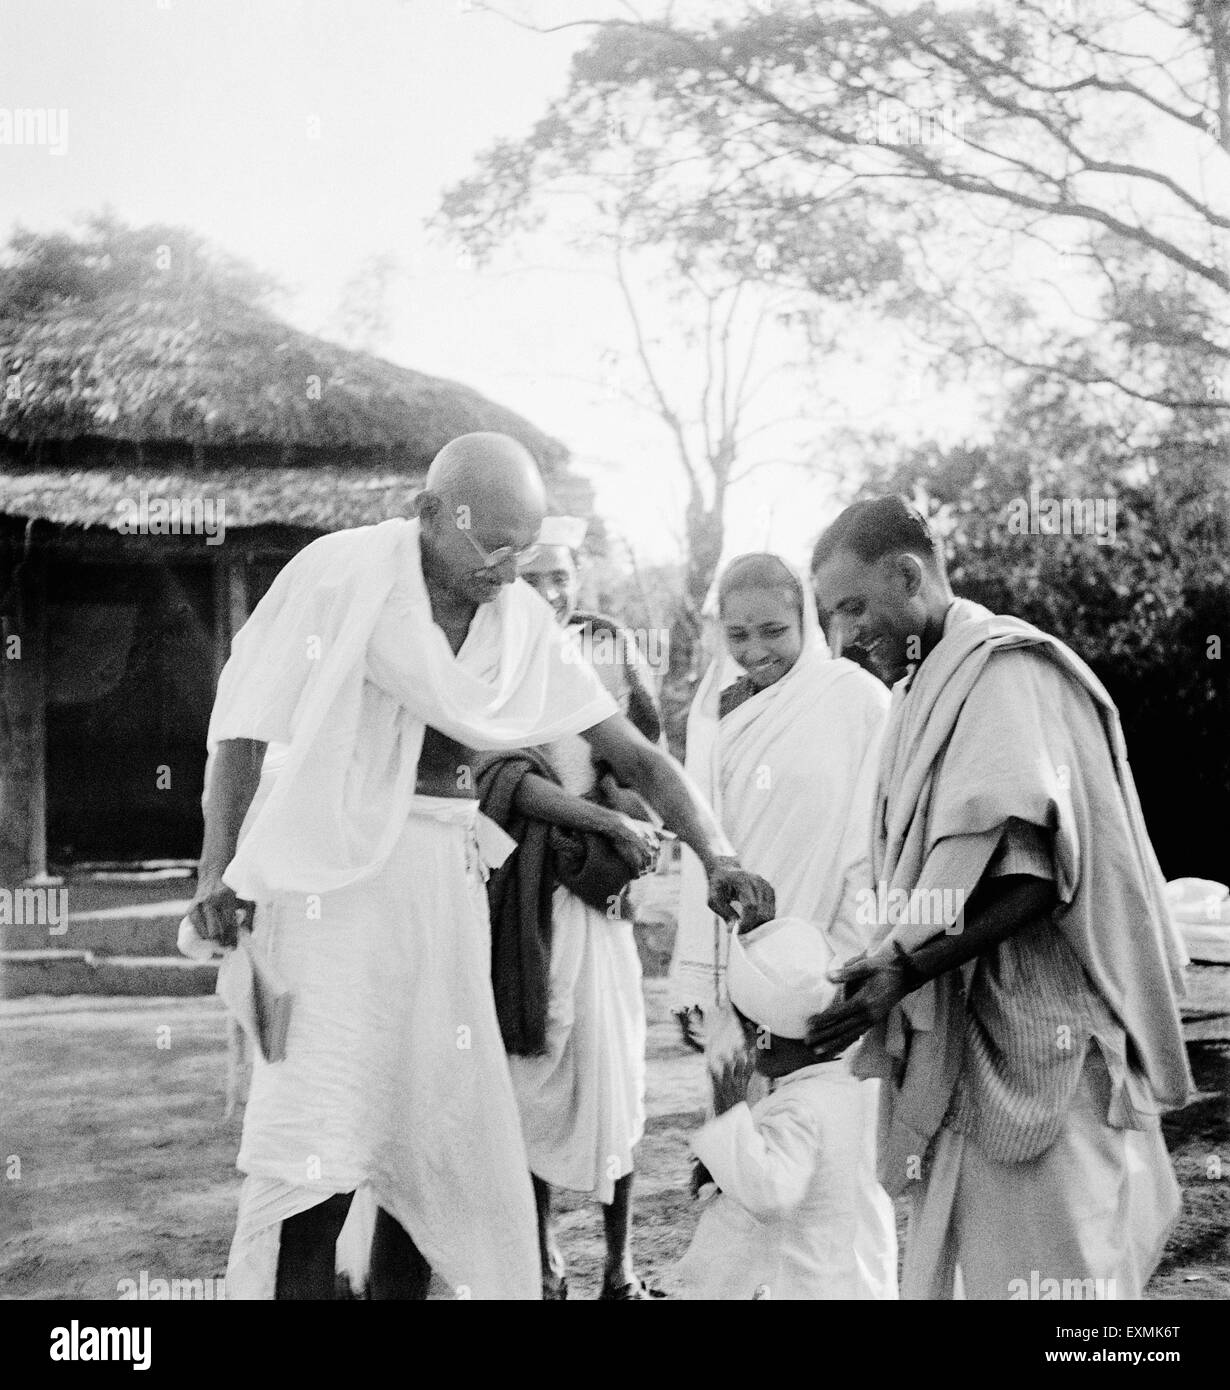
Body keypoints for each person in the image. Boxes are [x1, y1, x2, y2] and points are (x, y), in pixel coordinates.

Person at [188, 432, 774, 1300]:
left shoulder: (519, 626)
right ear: (428, 514)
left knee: (434, 1147)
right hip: (331, 898)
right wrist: (216, 870)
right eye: (490, 543)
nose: (506, 568)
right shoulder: (338, 574)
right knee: (318, 1154)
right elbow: (242, 723)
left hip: (442, 892)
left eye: (523, 549)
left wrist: (716, 853)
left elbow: (638, 755)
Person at [807, 495, 1193, 1300]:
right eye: (828, 618)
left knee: (1066, 1277)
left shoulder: (1005, 670)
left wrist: (905, 973)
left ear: (909, 575)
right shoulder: (923, 685)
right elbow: (939, 874)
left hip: (1044, 1030)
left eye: (854, 607)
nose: (842, 639)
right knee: (992, 1273)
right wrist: (890, 964)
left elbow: (1036, 880)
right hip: (970, 1027)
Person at [474, 516, 664, 1299]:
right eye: (536, 576)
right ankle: (543, 1258)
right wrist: (604, 820)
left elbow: (642, 750)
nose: (551, 591)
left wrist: (627, 817)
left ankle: (619, 1266)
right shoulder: (489, 652)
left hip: (599, 891)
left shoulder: (606, 645)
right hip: (526, 887)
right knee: (536, 1067)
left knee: (614, 1068)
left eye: (562, 576)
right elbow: (504, 775)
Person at [668, 553, 891, 1033]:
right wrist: (699, 979)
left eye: (773, 631)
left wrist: (857, 955)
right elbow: (700, 846)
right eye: (738, 635)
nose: (754, 650)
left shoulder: (856, 700)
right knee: (741, 1104)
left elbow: (872, 837)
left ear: (806, 622)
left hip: (828, 954)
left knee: (823, 1096)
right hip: (735, 943)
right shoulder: (714, 714)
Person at [675, 916, 898, 1299]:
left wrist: (730, 1119)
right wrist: (721, 1167)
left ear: (760, 1037)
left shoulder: (799, 1109)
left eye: (746, 1029)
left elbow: (770, 1192)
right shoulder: (845, 1086)